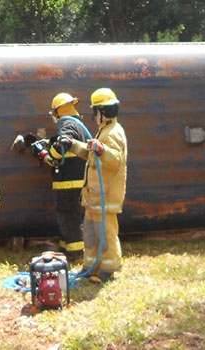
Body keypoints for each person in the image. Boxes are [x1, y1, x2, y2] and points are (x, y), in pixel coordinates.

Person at [57, 87, 127, 283]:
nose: (93, 115)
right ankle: (90, 267)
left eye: (95, 111)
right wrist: (73, 145)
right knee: (90, 233)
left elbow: (115, 160)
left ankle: (108, 269)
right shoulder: (103, 131)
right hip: (94, 196)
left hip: (105, 197)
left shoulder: (113, 133)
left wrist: (102, 149)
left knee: (105, 235)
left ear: (102, 111)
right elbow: (91, 155)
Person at [34, 93, 88, 263]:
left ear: (58, 111)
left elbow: (64, 141)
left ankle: (76, 254)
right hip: (77, 180)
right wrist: (46, 143)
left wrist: (50, 157)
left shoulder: (66, 122)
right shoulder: (77, 123)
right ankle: (66, 247)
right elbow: (61, 140)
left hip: (69, 181)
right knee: (69, 214)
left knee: (68, 215)